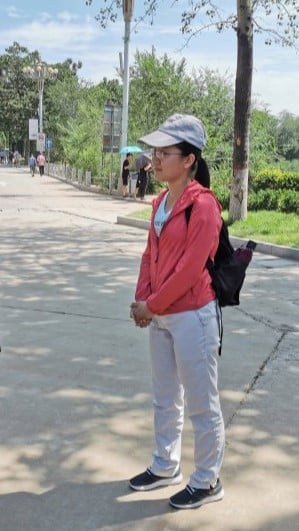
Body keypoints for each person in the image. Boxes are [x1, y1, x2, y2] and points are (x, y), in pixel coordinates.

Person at [129, 114, 224, 510]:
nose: (157, 157)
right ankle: (166, 464)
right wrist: (142, 299)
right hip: (161, 314)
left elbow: (189, 271)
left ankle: (207, 479)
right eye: (156, 151)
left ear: (188, 160)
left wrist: (152, 304)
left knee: (202, 403)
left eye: (165, 152)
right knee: (165, 396)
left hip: (193, 316)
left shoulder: (203, 206)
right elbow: (151, 254)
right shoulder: (160, 203)